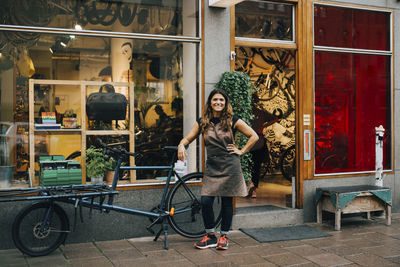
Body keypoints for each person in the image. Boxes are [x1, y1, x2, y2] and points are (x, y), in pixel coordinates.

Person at [177, 88, 258, 250]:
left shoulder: (233, 120)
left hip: (230, 165)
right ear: (210, 103)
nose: (218, 102)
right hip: (213, 166)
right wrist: (181, 145)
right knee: (206, 201)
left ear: (225, 103)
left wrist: (241, 151)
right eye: (215, 100)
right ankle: (210, 236)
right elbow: (188, 138)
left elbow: (254, 136)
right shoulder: (203, 122)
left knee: (227, 202)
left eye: (221, 100)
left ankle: (224, 237)